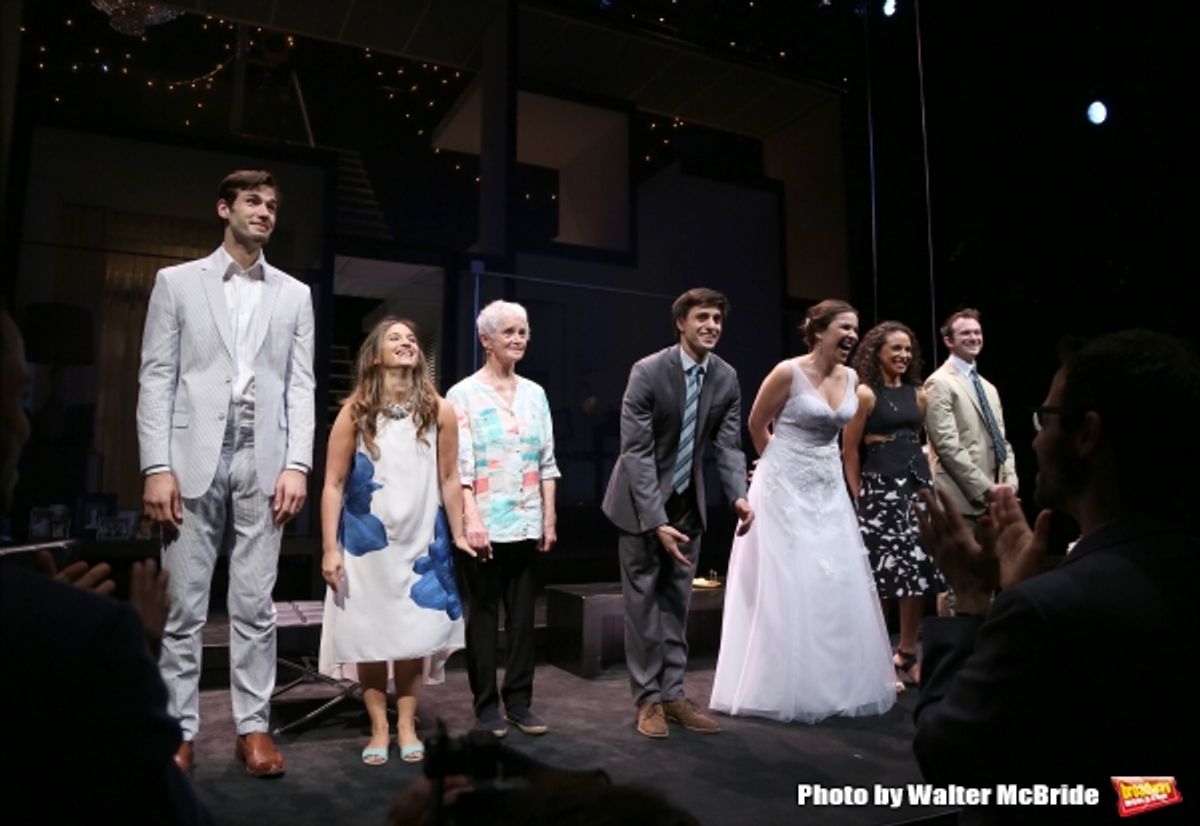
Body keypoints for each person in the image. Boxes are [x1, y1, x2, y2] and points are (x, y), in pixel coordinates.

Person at [913, 330, 1198, 825]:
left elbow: (949, 758)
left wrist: (975, 602)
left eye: (1045, 419)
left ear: (1087, 434)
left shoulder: (1047, 609)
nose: (1037, 436)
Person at [137, 170, 315, 777]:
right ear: (224, 209)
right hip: (192, 458)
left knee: (254, 604)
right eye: (252, 202)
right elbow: (157, 376)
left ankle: (253, 728)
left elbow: (300, 384)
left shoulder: (294, 293)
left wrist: (297, 462)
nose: (264, 212)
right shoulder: (177, 282)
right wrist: (156, 465)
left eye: (271, 205)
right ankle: (179, 730)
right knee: (185, 607)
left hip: (263, 457)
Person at [710, 299, 896, 723]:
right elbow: (757, 424)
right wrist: (775, 465)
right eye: (845, 327)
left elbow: (845, 436)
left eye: (856, 328)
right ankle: (780, 683)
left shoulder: (851, 377)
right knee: (787, 582)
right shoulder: (787, 372)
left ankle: (831, 684)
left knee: (831, 580)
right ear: (819, 331)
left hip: (828, 487)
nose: (852, 335)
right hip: (782, 487)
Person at [602, 287, 754, 738]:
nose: (711, 326)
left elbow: (727, 445)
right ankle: (647, 700)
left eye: (717, 320)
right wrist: (656, 520)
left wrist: (739, 496)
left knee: (677, 605)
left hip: (688, 504)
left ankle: (673, 695)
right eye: (702, 318)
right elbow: (636, 452)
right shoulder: (648, 371)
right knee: (643, 605)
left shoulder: (725, 377)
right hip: (640, 505)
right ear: (681, 323)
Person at [319, 318, 471, 765]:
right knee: (371, 635)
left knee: (411, 636)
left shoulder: (438, 410)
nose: (407, 342)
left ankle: (406, 724)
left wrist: (459, 533)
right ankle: (379, 726)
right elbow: (333, 483)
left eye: (411, 338)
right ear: (375, 355)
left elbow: (449, 477)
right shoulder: (355, 412)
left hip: (421, 539)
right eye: (395, 338)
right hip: (367, 548)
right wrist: (330, 547)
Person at [446, 300, 561, 738]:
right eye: (509, 332)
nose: (518, 339)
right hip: (484, 525)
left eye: (523, 331)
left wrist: (549, 517)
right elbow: (462, 467)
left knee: (522, 620)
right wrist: (471, 519)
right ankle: (486, 707)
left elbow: (547, 461)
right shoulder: (463, 394)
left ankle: (519, 702)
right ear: (486, 339)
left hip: (527, 521)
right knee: (483, 617)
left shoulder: (536, 393)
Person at [843, 321, 943, 688]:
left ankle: (907, 653)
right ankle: (877, 659)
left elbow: (923, 443)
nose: (903, 355)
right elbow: (849, 449)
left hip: (915, 489)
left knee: (914, 574)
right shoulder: (866, 394)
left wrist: (928, 487)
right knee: (881, 577)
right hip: (879, 489)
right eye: (895, 349)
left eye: (907, 349)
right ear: (877, 353)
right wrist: (858, 496)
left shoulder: (918, 395)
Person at [924, 308, 1017, 521]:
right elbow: (946, 445)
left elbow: (1002, 441)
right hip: (960, 501)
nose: (974, 338)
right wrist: (985, 488)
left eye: (977, 332)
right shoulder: (939, 382)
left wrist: (1010, 485)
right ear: (949, 341)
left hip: (996, 501)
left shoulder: (989, 388)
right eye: (966, 333)